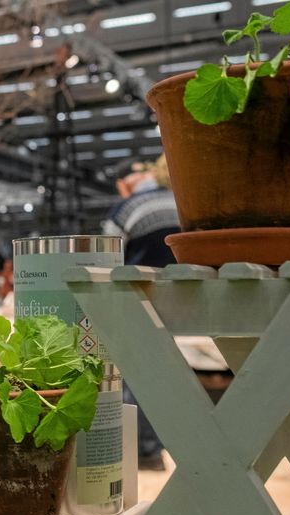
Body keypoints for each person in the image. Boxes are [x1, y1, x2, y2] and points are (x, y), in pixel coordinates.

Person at [102, 155, 181, 471]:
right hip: (188, 304)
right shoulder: (182, 203)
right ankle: (170, 444)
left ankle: (146, 451)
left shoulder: (126, 209)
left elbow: (105, 259)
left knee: (134, 376)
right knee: (169, 377)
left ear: (124, 185)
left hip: (140, 302)